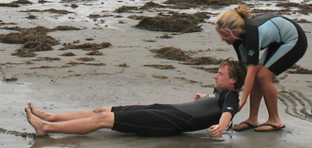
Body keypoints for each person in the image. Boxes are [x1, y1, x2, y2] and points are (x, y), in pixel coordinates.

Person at [25, 60, 247, 138]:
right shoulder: (220, 92)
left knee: (104, 118)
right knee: (104, 109)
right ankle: (53, 117)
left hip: (167, 121)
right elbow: (213, 105)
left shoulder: (231, 95)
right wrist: (203, 97)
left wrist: (221, 125)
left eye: (221, 74)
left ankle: (46, 128)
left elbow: (229, 110)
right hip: (166, 110)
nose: (215, 76)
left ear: (233, 81)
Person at [215, 5, 308, 132]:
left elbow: (251, 72)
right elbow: (246, 71)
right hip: (277, 42)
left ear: (235, 31)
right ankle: (252, 119)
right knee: (255, 75)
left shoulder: (251, 35)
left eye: (225, 36)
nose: (222, 39)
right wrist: (232, 96)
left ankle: (275, 120)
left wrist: (242, 101)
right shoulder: (237, 39)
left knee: (263, 76)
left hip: (294, 41)